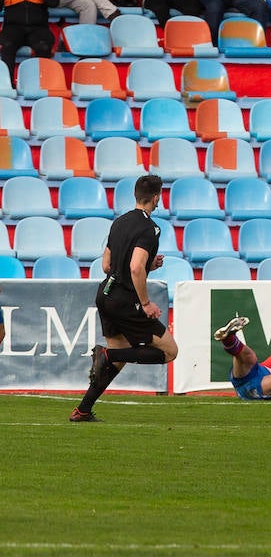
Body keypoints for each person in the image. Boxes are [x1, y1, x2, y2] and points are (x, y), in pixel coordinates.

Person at [71, 174, 180, 422]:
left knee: (117, 358)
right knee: (169, 352)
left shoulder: (119, 222)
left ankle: (83, 409)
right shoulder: (150, 228)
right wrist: (145, 303)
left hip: (106, 294)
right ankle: (106, 354)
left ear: (135, 195)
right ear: (156, 197)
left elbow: (107, 265)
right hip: (125, 300)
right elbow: (134, 268)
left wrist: (148, 265)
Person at [0, 0, 58, 80]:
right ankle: (8, 84)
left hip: (38, 29)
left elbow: (54, 2)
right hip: (13, 28)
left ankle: (39, 84)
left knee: (43, 47)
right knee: (7, 46)